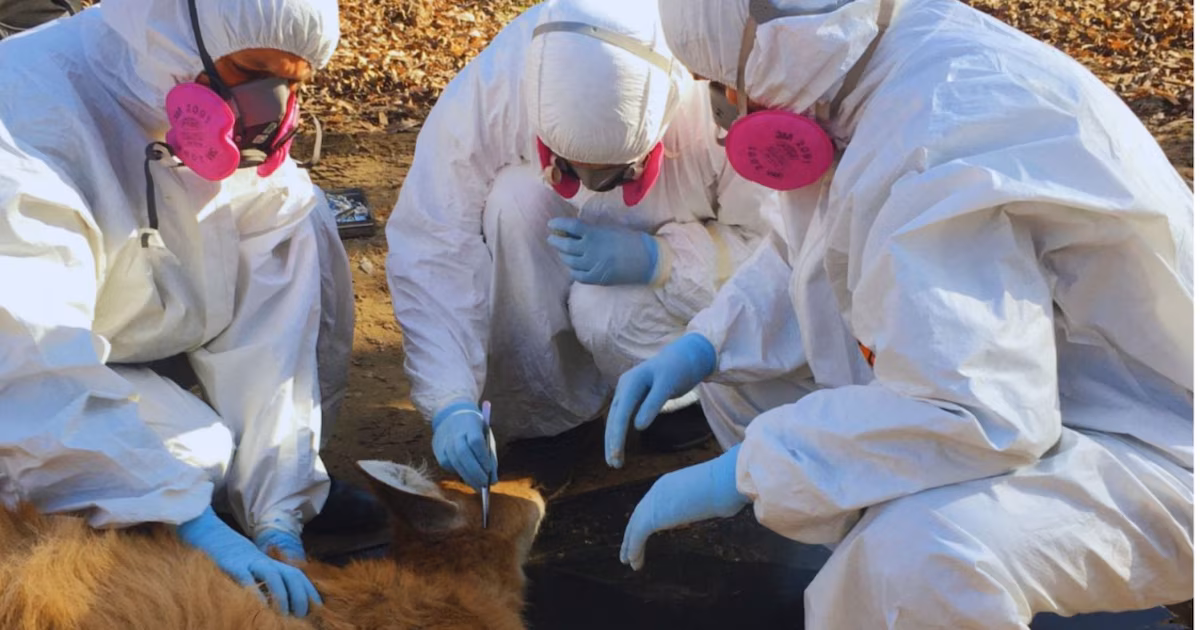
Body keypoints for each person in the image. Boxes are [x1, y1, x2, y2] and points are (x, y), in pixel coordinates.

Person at [604, 0, 1194, 627]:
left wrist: (746, 473)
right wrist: (704, 345)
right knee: (739, 383)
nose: (724, 109)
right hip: (1047, 387)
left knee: (915, 557)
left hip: (1154, 442)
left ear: (764, 50)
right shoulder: (872, 61)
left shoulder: (930, 141)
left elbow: (975, 413)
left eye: (720, 86)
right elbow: (804, 249)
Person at [0, 0, 359, 617]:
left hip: (122, 337)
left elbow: (274, 321)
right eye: (250, 70)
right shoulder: (26, 127)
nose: (266, 112)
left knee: (302, 213)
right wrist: (189, 520)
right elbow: (26, 361)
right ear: (171, 32)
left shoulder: (186, 87)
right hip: (24, 369)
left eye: (291, 83)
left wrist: (277, 507)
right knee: (193, 460)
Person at [385, 0, 778, 495]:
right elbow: (434, 239)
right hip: (551, 223)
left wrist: (662, 260)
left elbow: (773, 253)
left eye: (615, 174)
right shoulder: (498, 84)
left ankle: (679, 394)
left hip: (672, 256)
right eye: (570, 167)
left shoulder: (710, 89)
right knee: (514, 200)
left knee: (602, 309)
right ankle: (549, 417)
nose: (592, 186)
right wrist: (450, 399)